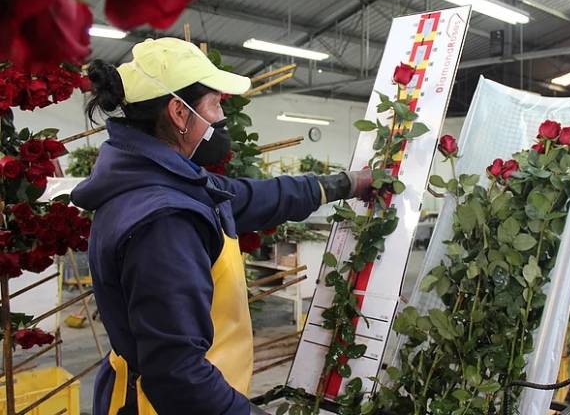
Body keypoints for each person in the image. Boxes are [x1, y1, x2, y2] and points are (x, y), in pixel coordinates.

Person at [71, 38, 372, 415]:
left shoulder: (168, 181)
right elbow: (180, 379)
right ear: (179, 113)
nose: (219, 118)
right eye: (214, 104)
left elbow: (255, 196)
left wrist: (345, 184)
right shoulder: (164, 222)